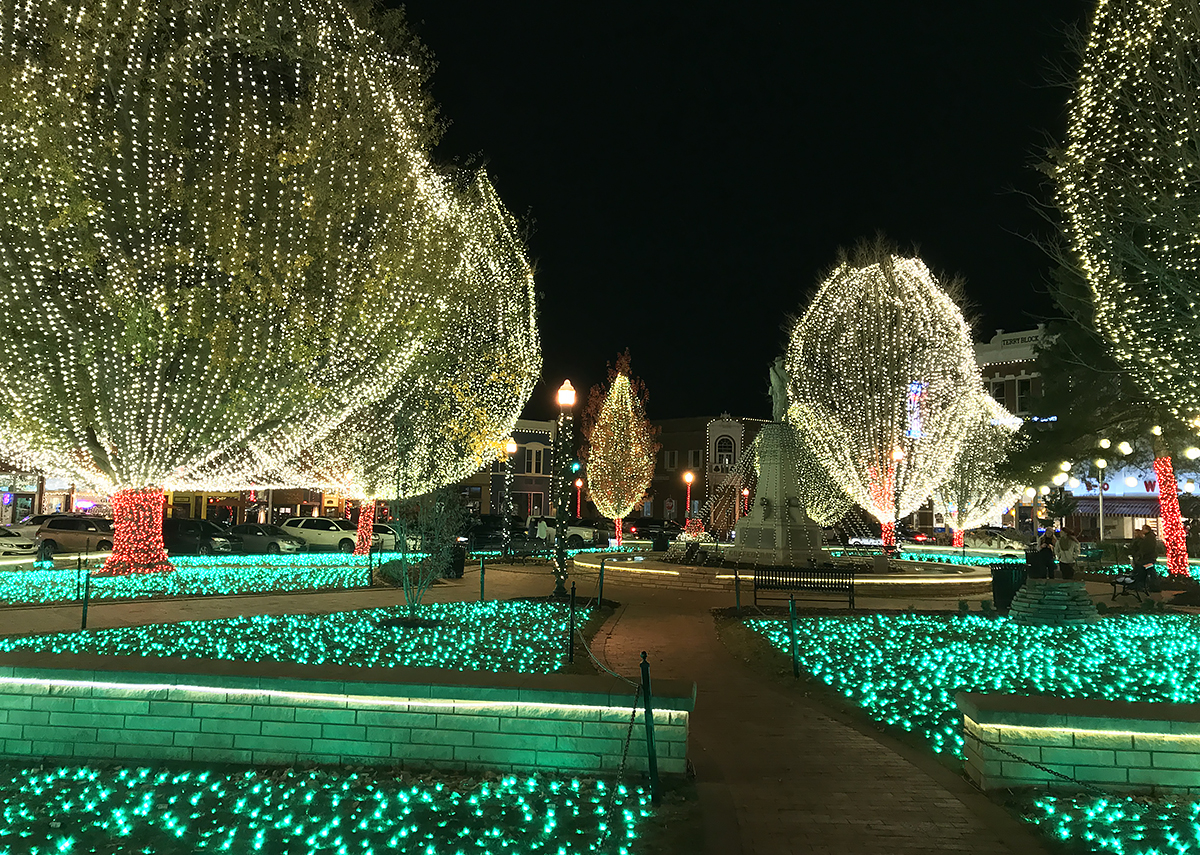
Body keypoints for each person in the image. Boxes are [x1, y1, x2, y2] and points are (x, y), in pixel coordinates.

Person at [1129, 524, 1159, 592]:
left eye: (1143, 529)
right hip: (1148, 558)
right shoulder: (1149, 537)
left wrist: (1140, 555)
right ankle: (1146, 585)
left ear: (1147, 529)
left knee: (1148, 571)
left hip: (1148, 558)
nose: (1142, 530)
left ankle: (1152, 586)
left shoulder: (1149, 538)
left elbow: (1146, 548)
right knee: (1147, 571)